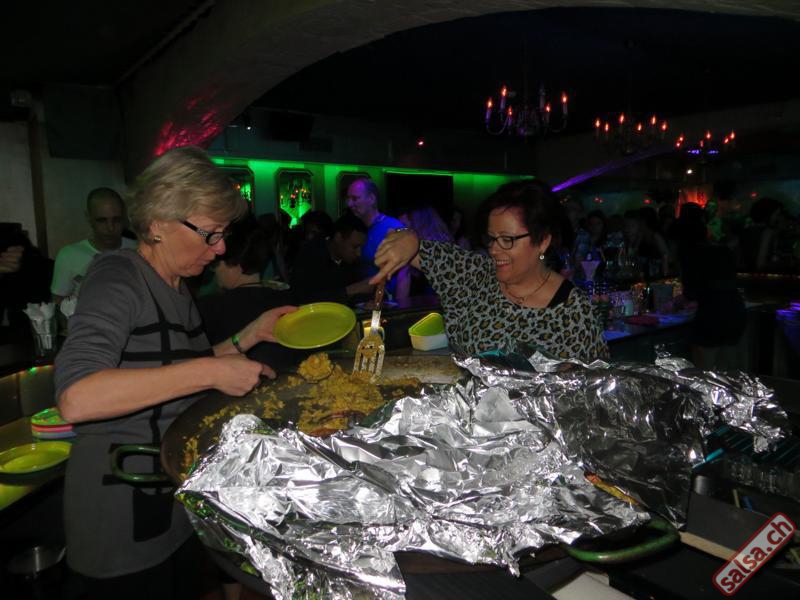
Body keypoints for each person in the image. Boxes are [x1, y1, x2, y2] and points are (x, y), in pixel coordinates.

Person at [54, 146, 296, 599]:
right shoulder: (117, 277)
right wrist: (210, 372)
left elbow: (171, 366)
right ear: (158, 222)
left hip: (171, 492)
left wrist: (249, 336)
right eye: (210, 234)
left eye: (223, 234)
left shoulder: (177, 285)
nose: (221, 248)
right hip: (118, 507)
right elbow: (77, 397)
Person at [371, 180, 609, 361]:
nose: (494, 249)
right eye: (492, 238)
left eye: (507, 239)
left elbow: (594, 388)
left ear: (543, 241)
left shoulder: (573, 311)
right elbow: (415, 249)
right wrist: (406, 236)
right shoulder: (474, 275)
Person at [197, 213, 299, 373]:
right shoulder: (287, 298)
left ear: (234, 265)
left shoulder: (211, 307)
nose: (214, 271)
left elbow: (194, 363)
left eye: (216, 264)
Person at [50, 187, 137, 302]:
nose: (110, 228)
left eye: (116, 220)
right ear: (89, 218)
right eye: (102, 220)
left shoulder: (139, 250)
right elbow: (58, 302)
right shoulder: (68, 256)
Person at [346, 177, 410, 301]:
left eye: (355, 198)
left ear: (371, 199)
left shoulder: (392, 227)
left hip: (385, 304)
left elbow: (404, 273)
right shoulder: (356, 227)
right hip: (362, 303)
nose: (349, 204)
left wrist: (400, 307)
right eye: (348, 199)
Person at [291, 213, 372, 305]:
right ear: (338, 237)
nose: (359, 253)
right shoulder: (310, 255)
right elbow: (304, 299)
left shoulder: (353, 262)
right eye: (355, 247)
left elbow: (359, 294)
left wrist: (367, 301)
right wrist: (351, 290)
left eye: (361, 247)